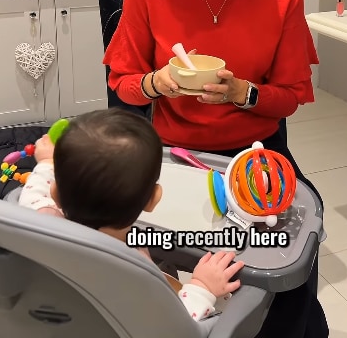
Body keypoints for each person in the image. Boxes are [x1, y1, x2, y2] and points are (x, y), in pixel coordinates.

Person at [104, 0, 328, 337]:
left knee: (287, 275)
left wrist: (243, 94)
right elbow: (121, 82)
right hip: (175, 157)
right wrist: (157, 83)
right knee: (151, 273)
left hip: (257, 158)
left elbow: (291, 93)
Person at [18, 109, 244, 322]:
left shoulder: (41, 223)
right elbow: (173, 325)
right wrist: (202, 286)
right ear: (153, 200)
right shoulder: (135, 274)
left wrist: (47, 163)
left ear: (55, 192)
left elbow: (36, 191)